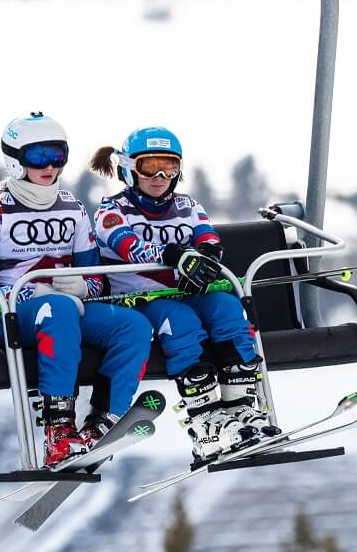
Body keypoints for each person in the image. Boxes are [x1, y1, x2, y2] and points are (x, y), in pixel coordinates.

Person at [0, 112, 154, 467]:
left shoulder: (73, 208)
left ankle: (102, 423)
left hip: (67, 310)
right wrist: (30, 295)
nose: (50, 166)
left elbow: (96, 280)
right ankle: (59, 432)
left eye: (58, 155)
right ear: (15, 159)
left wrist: (82, 287)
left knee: (134, 326)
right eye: (39, 156)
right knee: (59, 310)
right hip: (11, 318)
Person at [89, 126, 280, 463]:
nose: (160, 176)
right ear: (128, 169)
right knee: (180, 322)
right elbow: (130, 247)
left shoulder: (187, 205)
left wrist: (205, 258)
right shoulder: (112, 210)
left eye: (169, 166)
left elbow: (208, 238)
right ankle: (206, 423)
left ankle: (240, 410)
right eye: (150, 167)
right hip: (141, 299)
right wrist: (175, 256)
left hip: (188, 291)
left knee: (228, 308)